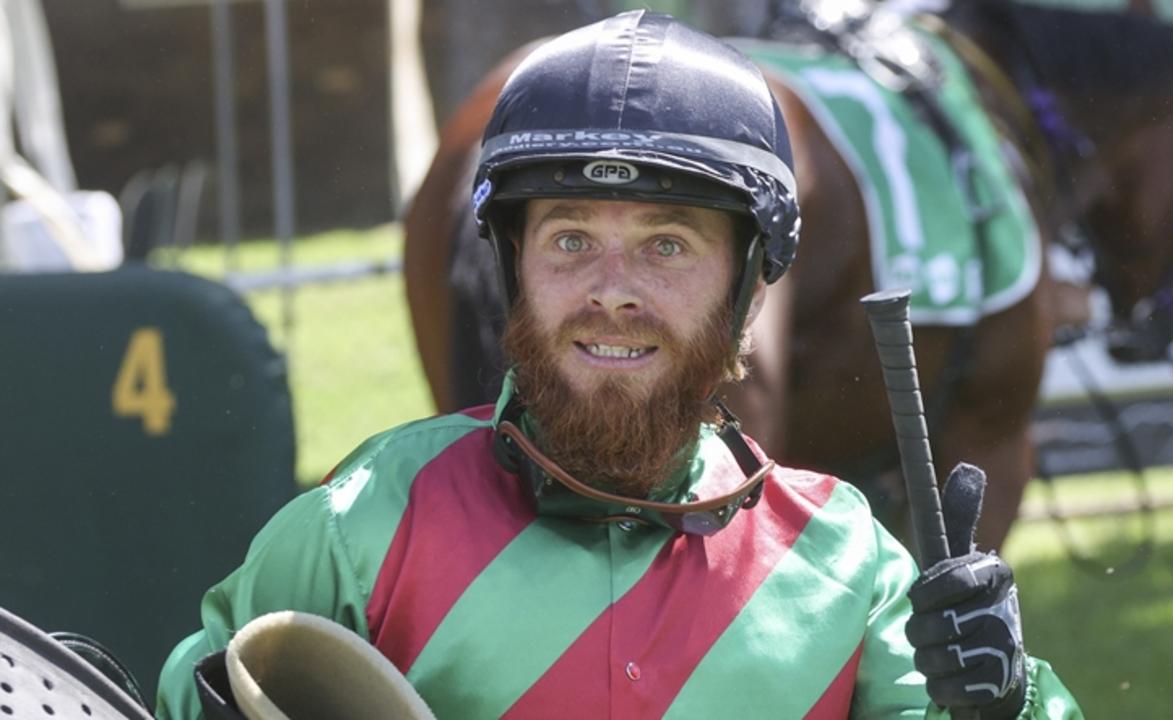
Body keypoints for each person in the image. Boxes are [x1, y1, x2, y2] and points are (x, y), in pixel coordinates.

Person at [156, 10, 1082, 719]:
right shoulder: (356, 529)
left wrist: (1009, 704)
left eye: (668, 245)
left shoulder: (853, 568)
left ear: (751, 293)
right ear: (513, 272)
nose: (612, 291)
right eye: (568, 241)